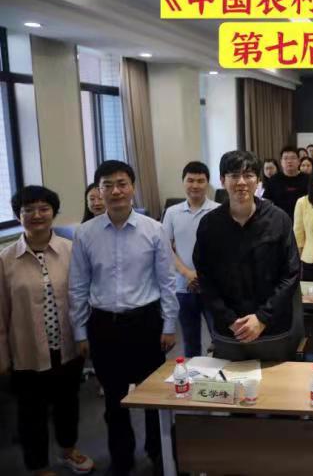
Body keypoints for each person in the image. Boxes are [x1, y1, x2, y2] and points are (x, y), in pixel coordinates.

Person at [69, 160, 178, 475]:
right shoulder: (85, 233)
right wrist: (80, 331)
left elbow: (167, 281)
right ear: (98, 191)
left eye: (122, 184)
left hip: (146, 323)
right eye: (108, 185)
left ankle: (159, 453)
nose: (115, 191)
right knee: (113, 400)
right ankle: (121, 458)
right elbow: (78, 285)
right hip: (104, 325)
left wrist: (169, 325)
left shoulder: (153, 229)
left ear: (132, 187)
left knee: (153, 396)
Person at [1, 186, 94, 476]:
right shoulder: (5, 260)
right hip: (26, 350)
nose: (37, 215)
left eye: (43, 209)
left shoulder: (71, 250)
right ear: (18, 215)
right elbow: (0, 312)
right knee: (31, 412)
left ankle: (68, 450)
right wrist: (2, 356)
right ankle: (38, 466)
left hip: (67, 346)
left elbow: (83, 297)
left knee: (68, 404)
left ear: (54, 212)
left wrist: (85, 336)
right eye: (28, 210)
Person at [193, 150, 300, 359]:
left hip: (273, 329)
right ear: (222, 180)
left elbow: (291, 273)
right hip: (229, 331)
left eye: (248, 175)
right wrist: (230, 320)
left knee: (276, 380)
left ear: (258, 180)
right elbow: (205, 278)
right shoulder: (209, 224)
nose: (241, 182)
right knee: (229, 379)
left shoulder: (279, 219)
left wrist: (262, 318)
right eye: (234, 175)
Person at [162, 161, 220, 358]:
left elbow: (224, 250)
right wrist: (187, 273)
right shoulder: (172, 212)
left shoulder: (219, 210)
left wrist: (202, 276)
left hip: (213, 287)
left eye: (200, 181)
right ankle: (193, 376)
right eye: (190, 180)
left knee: (220, 339)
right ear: (183, 182)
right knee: (190, 342)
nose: (195, 185)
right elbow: (166, 248)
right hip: (183, 286)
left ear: (207, 184)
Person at [263, 146, 309, 220]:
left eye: (293, 158)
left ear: (299, 161)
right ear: (281, 162)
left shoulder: (308, 179)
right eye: (286, 158)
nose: (289, 161)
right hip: (279, 220)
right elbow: (266, 202)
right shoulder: (273, 180)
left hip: (303, 219)